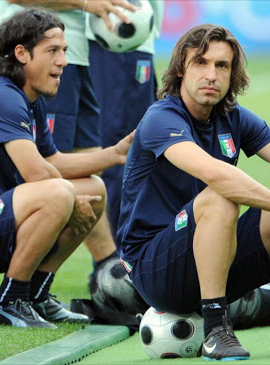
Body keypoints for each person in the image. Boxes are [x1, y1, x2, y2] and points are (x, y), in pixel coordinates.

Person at [117, 24, 270, 360]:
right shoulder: (161, 118)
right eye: (201, 63)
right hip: (156, 270)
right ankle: (215, 329)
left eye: (221, 65)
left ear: (232, 73)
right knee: (221, 196)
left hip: (214, 256)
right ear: (182, 68)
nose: (211, 74)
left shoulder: (233, 117)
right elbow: (218, 176)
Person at [0, 9, 133, 329]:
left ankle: (36, 295)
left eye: (64, 51)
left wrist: (115, 154)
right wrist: (69, 204)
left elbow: (52, 162)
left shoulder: (30, 98)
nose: (63, 61)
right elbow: (38, 174)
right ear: (22, 54)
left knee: (92, 189)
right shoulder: (0, 96)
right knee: (58, 193)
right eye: (53, 51)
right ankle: (10, 301)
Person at [0, 0, 136, 275]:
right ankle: (22, 284)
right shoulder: (13, 89)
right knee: (47, 180)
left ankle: (108, 271)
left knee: (91, 181)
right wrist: (85, 3)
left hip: (77, 58)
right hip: (42, 59)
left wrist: (116, 153)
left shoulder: (65, 57)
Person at [86, 0, 165, 237]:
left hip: (131, 35)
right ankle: (117, 261)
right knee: (123, 151)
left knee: (138, 148)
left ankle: (119, 258)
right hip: (118, 35)